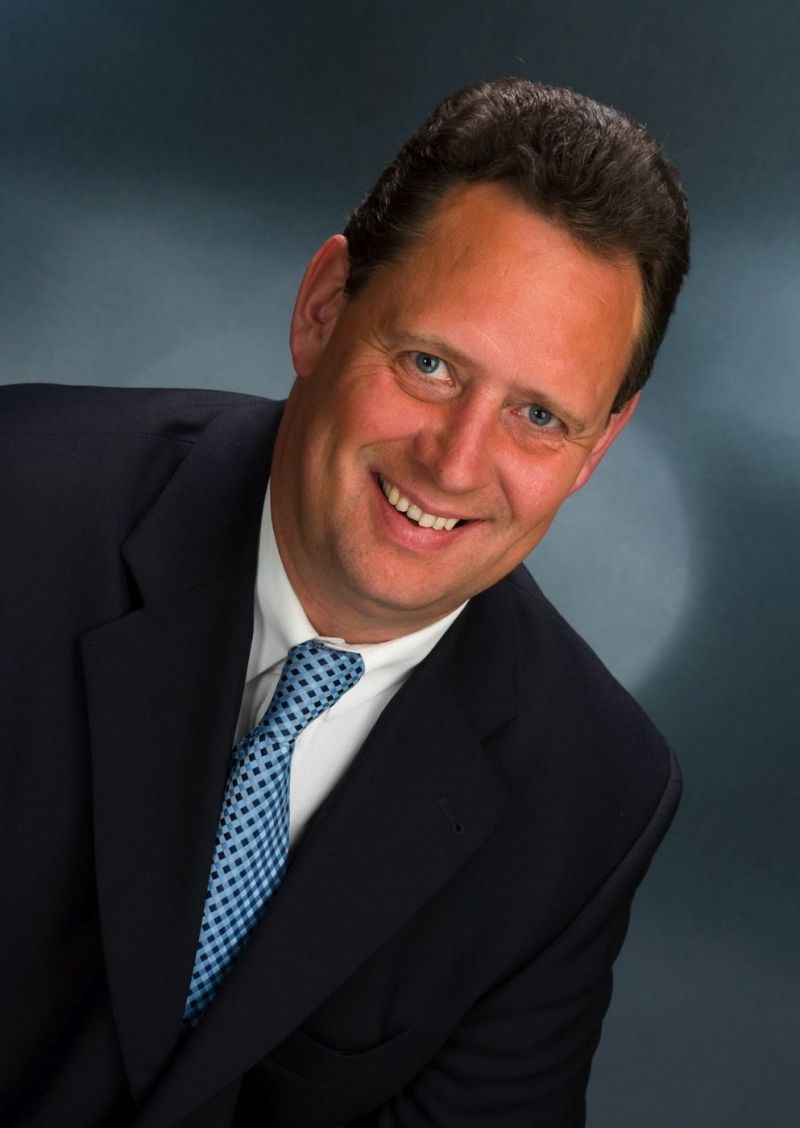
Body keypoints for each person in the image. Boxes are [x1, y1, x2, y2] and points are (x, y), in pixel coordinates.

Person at [0, 77, 689, 1126]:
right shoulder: (20, 511)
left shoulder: (589, 794)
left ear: (599, 445)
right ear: (323, 309)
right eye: (429, 364)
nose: (456, 463)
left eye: (539, 417)